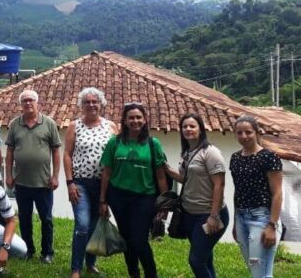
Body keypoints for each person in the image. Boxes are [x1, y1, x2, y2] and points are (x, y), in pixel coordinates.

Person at [98, 102, 168, 278]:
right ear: (125, 120)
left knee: (139, 240)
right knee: (126, 238)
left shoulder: (153, 144)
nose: (135, 121)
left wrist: (165, 204)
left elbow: (161, 176)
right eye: (131, 118)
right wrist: (103, 200)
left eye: (138, 117)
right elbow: (107, 172)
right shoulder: (115, 142)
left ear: (144, 120)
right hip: (118, 197)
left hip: (144, 198)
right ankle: (133, 273)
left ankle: (151, 275)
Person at [164, 112, 228, 278]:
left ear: (201, 129)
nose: (188, 129)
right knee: (205, 259)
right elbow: (186, 179)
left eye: (192, 126)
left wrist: (214, 216)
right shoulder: (188, 152)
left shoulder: (210, 152)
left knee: (196, 261)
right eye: (184, 126)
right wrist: (168, 169)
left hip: (209, 215)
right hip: (190, 214)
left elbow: (219, 184)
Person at [63, 87, 117, 278]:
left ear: (101, 104)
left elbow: (115, 155)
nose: (91, 105)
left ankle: (91, 263)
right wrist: (70, 183)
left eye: (95, 101)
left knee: (94, 225)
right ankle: (75, 268)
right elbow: (67, 154)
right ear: (82, 105)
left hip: (103, 185)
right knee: (82, 226)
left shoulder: (111, 126)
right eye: (87, 102)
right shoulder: (74, 126)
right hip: (80, 183)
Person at [5, 89, 61, 263]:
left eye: (31, 100)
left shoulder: (49, 123)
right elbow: (9, 151)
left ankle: (47, 252)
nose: (28, 103)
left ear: (37, 103)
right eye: (25, 101)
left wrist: (55, 176)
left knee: (46, 219)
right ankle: (28, 249)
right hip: (21, 182)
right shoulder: (15, 124)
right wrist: (8, 175)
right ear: (21, 104)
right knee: (24, 218)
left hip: (44, 182)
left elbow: (56, 151)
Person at [229, 115, 283, 278]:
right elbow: (238, 191)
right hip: (241, 217)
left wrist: (272, 226)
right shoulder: (235, 158)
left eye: (248, 132)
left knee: (261, 272)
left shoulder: (269, 157)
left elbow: (277, 193)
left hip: (262, 218)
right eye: (239, 133)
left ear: (257, 132)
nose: (244, 136)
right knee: (254, 269)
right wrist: (235, 222)